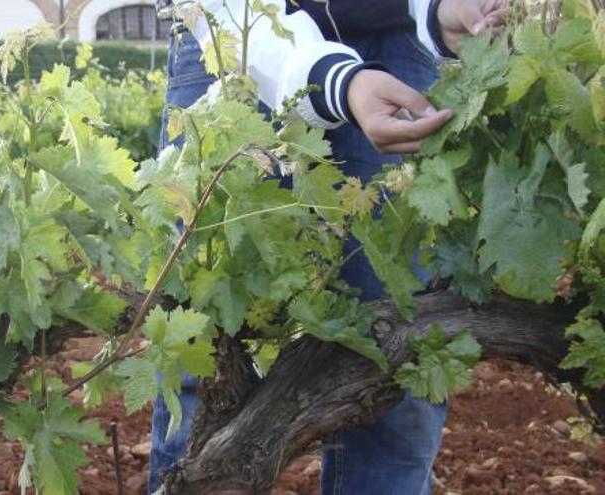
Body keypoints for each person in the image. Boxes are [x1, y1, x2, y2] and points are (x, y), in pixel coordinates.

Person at [147, 0, 508, 493]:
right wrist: (338, 82)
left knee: (397, 345)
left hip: (392, 38)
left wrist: (437, 9)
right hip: (232, 29)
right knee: (199, 348)